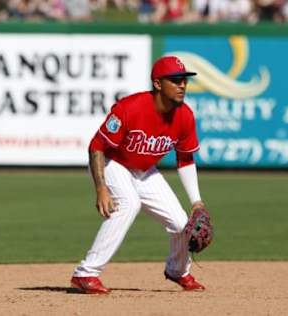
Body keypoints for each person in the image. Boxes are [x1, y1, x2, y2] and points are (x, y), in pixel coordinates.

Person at [70, 56, 207, 294]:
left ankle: (178, 270)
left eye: (184, 80)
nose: (182, 85)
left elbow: (185, 159)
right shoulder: (130, 108)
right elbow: (97, 146)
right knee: (128, 203)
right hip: (114, 162)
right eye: (175, 80)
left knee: (180, 222)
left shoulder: (185, 116)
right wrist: (101, 188)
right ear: (157, 84)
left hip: (145, 171)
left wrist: (197, 201)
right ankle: (86, 274)